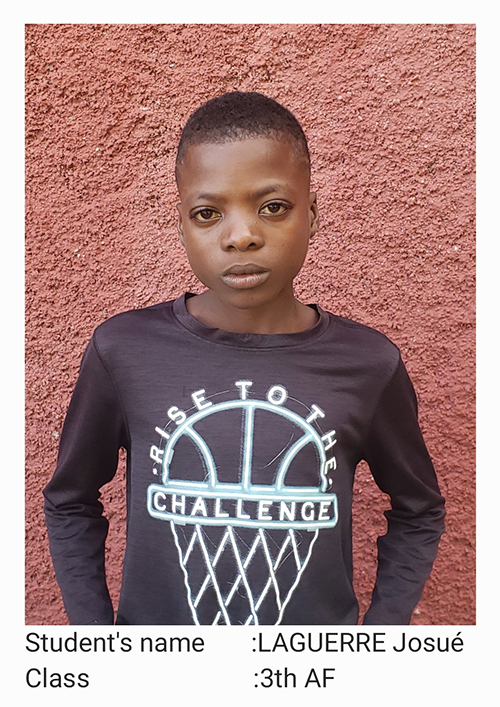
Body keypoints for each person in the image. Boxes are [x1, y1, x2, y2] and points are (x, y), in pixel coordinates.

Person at [43, 91, 445, 626]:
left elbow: (419, 509)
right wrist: (96, 645)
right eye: (208, 213)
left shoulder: (369, 364)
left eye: (272, 207)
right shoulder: (123, 351)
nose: (242, 236)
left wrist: (378, 642)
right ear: (182, 224)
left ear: (312, 215)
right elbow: (70, 499)